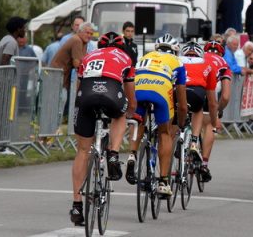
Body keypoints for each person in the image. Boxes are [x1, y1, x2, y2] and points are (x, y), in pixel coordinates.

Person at [69, 32, 136, 226]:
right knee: (120, 114)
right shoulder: (126, 58)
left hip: (86, 95)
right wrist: (131, 111)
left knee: (82, 151)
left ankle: (76, 204)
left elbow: (79, 87)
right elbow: (131, 96)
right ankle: (113, 152)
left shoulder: (89, 56)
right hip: (111, 92)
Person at [125, 33, 187, 197]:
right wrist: (180, 123)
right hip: (160, 90)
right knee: (164, 133)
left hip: (139, 87)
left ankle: (132, 155)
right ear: (175, 51)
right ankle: (163, 182)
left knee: (138, 122)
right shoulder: (178, 63)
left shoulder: (145, 56)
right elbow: (181, 103)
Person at [179, 41, 219, 182]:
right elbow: (212, 102)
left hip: (178, 92)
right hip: (196, 92)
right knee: (198, 109)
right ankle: (195, 140)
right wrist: (214, 123)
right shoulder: (207, 65)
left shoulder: (176, 61)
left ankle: (174, 141)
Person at [202, 40, 233, 152]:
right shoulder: (223, 63)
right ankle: (204, 163)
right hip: (209, 95)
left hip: (189, 91)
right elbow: (225, 96)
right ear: (221, 54)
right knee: (210, 125)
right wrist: (217, 111)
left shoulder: (198, 59)